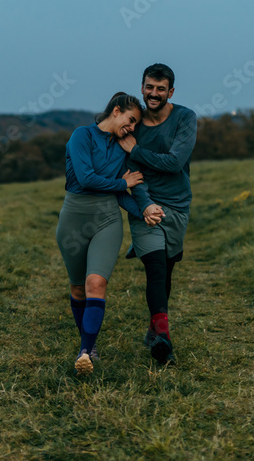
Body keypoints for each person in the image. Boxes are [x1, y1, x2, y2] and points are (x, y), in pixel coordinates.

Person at [57, 92, 165, 375]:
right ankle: (89, 344)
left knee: (96, 283)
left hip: (107, 220)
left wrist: (144, 210)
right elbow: (86, 179)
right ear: (116, 111)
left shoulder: (122, 149)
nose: (131, 128)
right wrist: (122, 182)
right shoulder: (81, 136)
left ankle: (85, 352)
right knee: (77, 288)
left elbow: (121, 193)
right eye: (131, 120)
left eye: (136, 124)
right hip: (73, 220)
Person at [118, 64, 198, 366]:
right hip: (146, 206)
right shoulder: (134, 122)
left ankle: (154, 329)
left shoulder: (185, 118)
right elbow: (131, 172)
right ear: (142, 88)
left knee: (167, 270)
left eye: (160, 89)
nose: (154, 93)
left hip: (177, 206)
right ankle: (164, 338)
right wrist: (145, 205)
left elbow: (175, 163)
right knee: (155, 268)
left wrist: (137, 150)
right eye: (149, 87)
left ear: (170, 92)